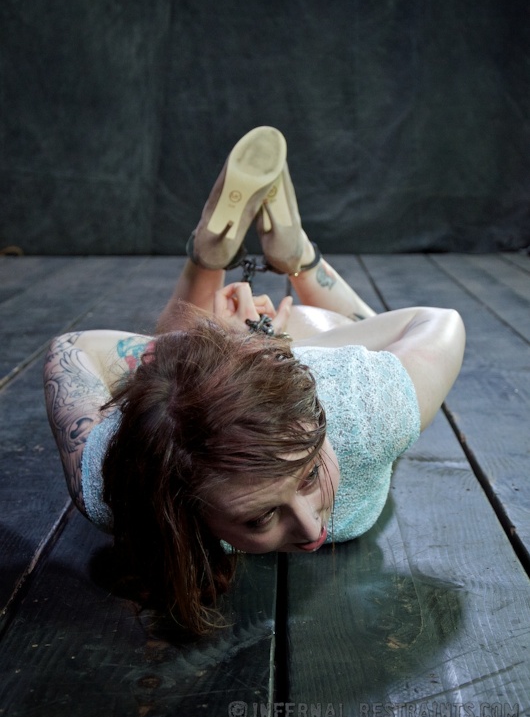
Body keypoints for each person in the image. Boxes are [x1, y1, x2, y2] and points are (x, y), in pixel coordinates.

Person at [43, 127, 465, 635]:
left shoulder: (368, 404)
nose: (312, 528)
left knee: (328, 328)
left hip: (310, 349)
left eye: (309, 475)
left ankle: (261, 256)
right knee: (179, 375)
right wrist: (221, 346)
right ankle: (280, 257)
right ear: (180, 508)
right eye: (259, 518)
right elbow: (70, 347)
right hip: (272, 356)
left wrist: (253, 347)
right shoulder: (128, 492)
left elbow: (436, 321)